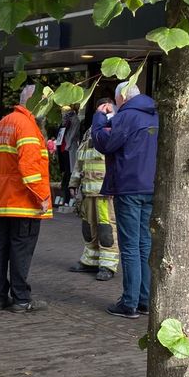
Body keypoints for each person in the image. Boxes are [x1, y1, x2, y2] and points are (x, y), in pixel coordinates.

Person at [93, 82, 159, 320]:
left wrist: (99, 119)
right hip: (150, 187)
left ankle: (129, 303)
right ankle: (144, 300)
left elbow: (105, 143)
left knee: (129, 247)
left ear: (122, 97)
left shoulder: (127, 116)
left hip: (128, 188)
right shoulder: (154, 115)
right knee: (144, 245)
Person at [0, 86, 53, 313]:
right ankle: (22, 299)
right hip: (24, 202)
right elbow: (30, 168)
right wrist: (42, 196)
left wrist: (0, 183)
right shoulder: (28, 127)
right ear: (33, 103)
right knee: (21, 249)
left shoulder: (1, 124)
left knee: (1, 246)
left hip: (4, 201)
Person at [68, 97, 118, 281]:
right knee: (88, 227)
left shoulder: (114, 128)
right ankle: (90, 260)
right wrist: (73, 183)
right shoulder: (91, 132)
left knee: (106, 228)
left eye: (104, 110)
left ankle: (108, 265)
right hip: (88, 190)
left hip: (105, 191)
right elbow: (81, 159)